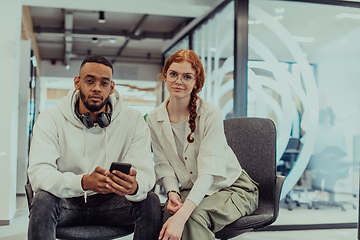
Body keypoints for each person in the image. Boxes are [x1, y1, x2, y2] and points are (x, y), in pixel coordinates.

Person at [27, 56, 161, 240]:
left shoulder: (133, 119)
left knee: (150, 200)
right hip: (68, 201)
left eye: (104, 83)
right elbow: (39, 173)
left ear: (111, 87)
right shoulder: (51, 117)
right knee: (42, 199)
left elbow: (146, 173)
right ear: (77, 82)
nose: (97, 88)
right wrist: (82, 182)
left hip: (113, 204)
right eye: (90, 81)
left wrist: (135, 186)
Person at [147, 50, 259, 240]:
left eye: (187, 77)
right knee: (165, 215)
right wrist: (173, 192)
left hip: (232, 188)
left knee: (192, 218)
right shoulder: (154, 118)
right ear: (165, 76)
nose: (178, 81)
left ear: (196, 83)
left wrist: (183, 214)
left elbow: (209, 172)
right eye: (173, 74)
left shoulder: (210, 113)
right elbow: (163, 165)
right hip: (192, 190)